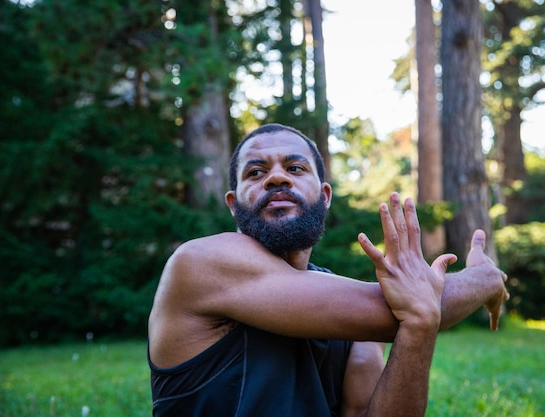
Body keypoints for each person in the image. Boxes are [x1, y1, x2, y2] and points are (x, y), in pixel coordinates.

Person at [148, 123, 509, 417]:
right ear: (233, 203)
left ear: (325, 196)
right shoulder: (199, 262)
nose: (276, 179)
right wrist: (485, 278)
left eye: (294, 168)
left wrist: (416, 321)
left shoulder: (349, 318)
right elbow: (407, 306)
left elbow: (411, 309)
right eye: (256, 172)